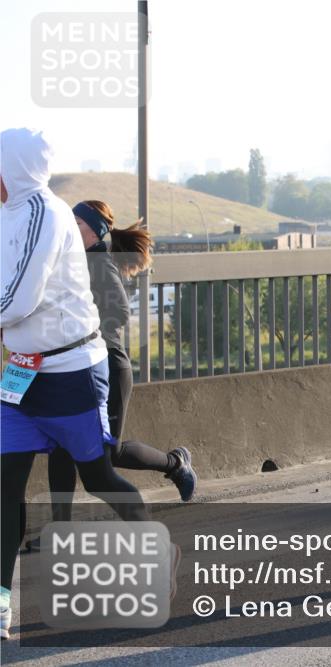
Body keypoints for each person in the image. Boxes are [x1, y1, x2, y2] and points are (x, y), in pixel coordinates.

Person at [0, 128, 173, 641]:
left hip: (70, 370)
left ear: (13, 168)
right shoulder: (7, 214)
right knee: (5, 487)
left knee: (98, 476)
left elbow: (21, 298)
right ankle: (2, 603)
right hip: (21, 372)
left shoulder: (46, 215)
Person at [44, 199, 196, 526]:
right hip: (76, 367)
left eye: (78, 223)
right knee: (61, 446)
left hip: (108, 366)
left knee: (108, 454)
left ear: (95, 231)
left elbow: (120, 312)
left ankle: (175, 463)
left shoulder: (99, 262)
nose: (71, 228)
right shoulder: (75, 260)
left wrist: (83, 330)